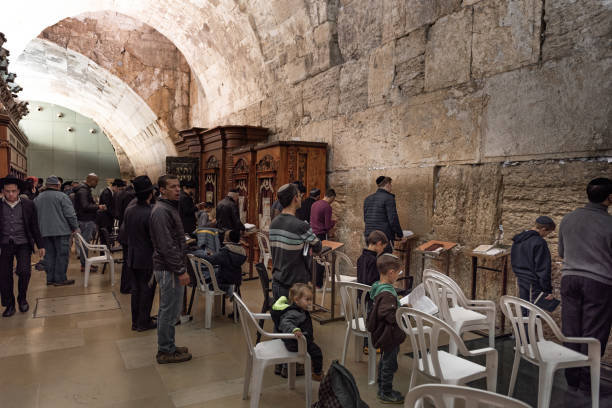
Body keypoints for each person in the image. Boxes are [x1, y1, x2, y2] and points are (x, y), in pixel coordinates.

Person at [559, 177, 612, 393]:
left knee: (571, 329)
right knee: (593, 334)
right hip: (599, 282)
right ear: (609, 198)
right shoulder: (609, 224)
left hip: (569, 278)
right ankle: (589, 382)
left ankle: (572, 377)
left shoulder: (568, 218)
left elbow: (562, 253)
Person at [150, 174, 192, 364]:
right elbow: (166, 245)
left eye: (179, 186)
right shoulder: (161, 211)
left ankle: (170, 345)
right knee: (168, 311)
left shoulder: (168, 207)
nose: (178, 190)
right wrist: (180, 270)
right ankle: (165, 351)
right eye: (173, 187)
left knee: (172, 310)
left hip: (172, 267)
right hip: (168, 269)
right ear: (162, 190)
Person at [0, 177, 45, 317]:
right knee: (4, 276)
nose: (11, 194)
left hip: (23, 243)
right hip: (4, 244)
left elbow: (34, 226)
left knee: (25, 271)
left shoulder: (28, 204)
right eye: (7, 191)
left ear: (18, 191)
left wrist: (40, 245)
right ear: (2, 191)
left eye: (13, 191)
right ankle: (10, 304)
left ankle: (22, 299)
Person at [269, 183, 322, 300]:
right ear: (295, 199)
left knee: (282, 317)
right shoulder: (300, 225)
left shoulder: (274, 223)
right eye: (299, 195)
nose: (301, 198)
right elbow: (318, 246)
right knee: (297, 317)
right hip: (294, 287)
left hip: (277, 282)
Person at [366, 253, 406, 404]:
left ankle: (382, 384)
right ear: (391, 273)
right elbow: (388, 314)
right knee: (389, 362)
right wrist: (402, 312)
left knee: (385, 359)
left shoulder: (378, 286)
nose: (398, 275)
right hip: (389, 333)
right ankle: (385, 392)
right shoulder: (387, 294)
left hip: (382, 332)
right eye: (398, 273)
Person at [123, 176, 157, 332]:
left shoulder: (130, 209)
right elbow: (153, 238)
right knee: (147, 289)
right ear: (150, 193)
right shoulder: (150, 212)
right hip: (146, 257)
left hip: (132, 255)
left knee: (136, 290)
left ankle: (135, 321)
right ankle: (144, 322)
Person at [271, 283, 323, 381]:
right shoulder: (294, 312)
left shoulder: (298, 310)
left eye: (310, 300)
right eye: (307, 300)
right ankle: (317, 373)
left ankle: (309, 367)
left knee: (314, 351)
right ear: (296, 300)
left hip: (296, 341)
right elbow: (285, 322)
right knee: (317, 352)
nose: (309, 303)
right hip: (296, 343)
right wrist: (295, 329)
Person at [33, 176, 78, 287]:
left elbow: (33, 216)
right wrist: (75, 227)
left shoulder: (37, 198)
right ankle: (60, 279)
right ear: (58, 185)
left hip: (44, 232)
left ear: (47, 185)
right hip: (61, 231)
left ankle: (50, 279)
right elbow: (70, 215)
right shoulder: (62, 196)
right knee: (62, 255)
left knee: (49, 256)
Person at [511, 216, 556, 309]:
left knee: (523, 311)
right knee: (533, 314)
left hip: (519, 278)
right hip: (532, 282)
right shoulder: (539, 242)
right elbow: (543, 269)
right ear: (543, 229)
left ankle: (522, 324)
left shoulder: (519, 239)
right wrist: (547, 290)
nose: (547, 235)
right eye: (548, 232)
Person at [357, 230, 389, 354]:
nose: (382, 250)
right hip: (370, 299)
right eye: (383, 248)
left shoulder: (361, 258)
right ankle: (373, 343)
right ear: (378, 244)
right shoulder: (375, 261)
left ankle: (366, 344)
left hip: (361, 298)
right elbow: (372, 283)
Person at [73, 173, 106, 272]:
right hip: (85, 221)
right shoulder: (83, 191)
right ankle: (85, 265)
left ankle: (85, 264)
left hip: (84, 220)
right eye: (96, 181)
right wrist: (99, 207)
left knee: (84, 244)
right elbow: (85, 206)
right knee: (85, 245)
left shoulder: (83, 189)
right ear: (91, 180)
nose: (96, 183)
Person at [363, 176, 403, 253]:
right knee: (384, 262)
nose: (391, 187)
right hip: (383, 237)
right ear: (387, 184)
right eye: (391, 184)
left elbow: (365, 219)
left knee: (372, 260)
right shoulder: (389, 198)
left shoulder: (367, 199)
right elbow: (393, 219)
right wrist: (400, 235)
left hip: (369, 236)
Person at [310, 188, 337, 287]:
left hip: (312, 234)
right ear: (332, 197)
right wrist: (334, 222)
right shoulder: (327, 207)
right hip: (321, 235)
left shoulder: (314, 204)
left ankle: (313, 282)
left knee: (315, 259)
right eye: (333, 200)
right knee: (321, 260)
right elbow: (327, 226)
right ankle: (319, 284)